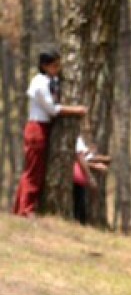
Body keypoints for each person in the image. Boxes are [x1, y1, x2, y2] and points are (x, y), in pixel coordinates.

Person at [13, 50, 87, 217]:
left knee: (34, 169)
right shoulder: (39, 83)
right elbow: (52, 109)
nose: (58, 69)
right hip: (37, 128)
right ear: (44, 66)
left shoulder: (51, 81)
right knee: (34, 171)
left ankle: (21, 207)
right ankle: (26, 209)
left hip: (44, 128)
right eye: (54, 65)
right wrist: (76, 110)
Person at [72, 135, 110, 225]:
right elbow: (81, 159)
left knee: (81, 207)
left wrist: (103, 159)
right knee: (79, 208)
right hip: (76, 178)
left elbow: (87, 158)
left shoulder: (80, 140)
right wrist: (92, 174)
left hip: (80, 180)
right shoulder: (76, 139)